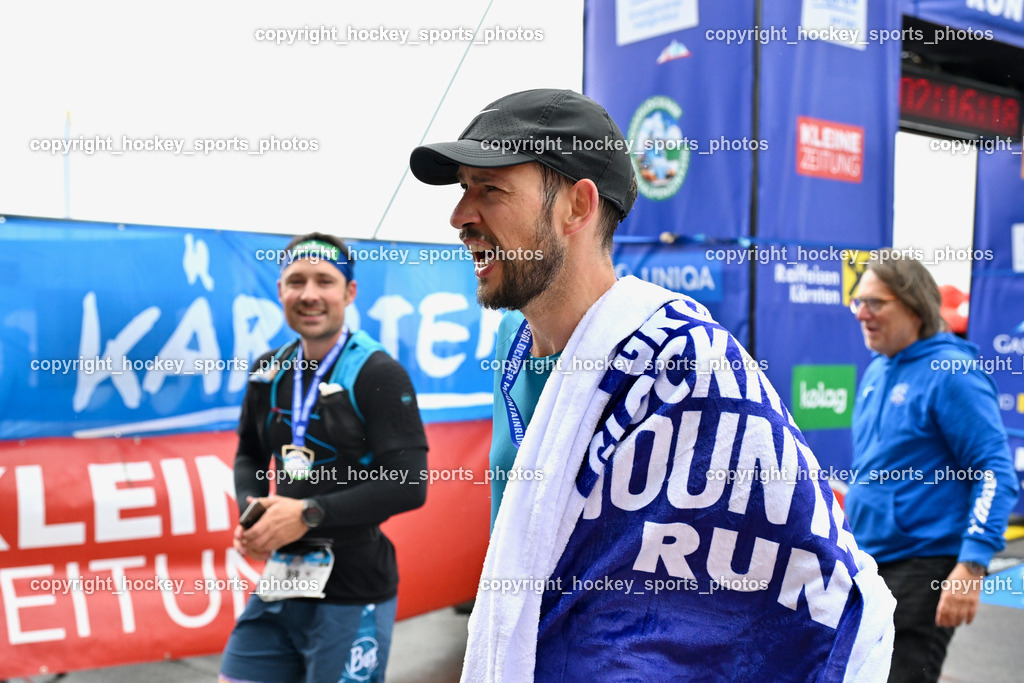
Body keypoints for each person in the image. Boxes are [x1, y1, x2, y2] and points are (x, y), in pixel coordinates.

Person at [410, 89, 896, 681]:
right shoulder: (511, 349)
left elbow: (800, 570)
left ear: (577, 206)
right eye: (463, 189)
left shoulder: (686, 359)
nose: (460, 216)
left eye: (489, 189)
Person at [219, 233, 428, 683]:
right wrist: (253, 513)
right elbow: (249, 453)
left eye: (324, 281)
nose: (309, 294)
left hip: (353, 586)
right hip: (283, 580)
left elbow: (409, 484)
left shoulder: (379, 373)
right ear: (280, 291)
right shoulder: (268, 370)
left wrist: (307, 513)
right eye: (296, 281)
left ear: (349, 292)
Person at [847, 253, 1018, 682]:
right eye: (858, 302)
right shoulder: (877, 369)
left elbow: (994, 471)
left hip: (923, 567)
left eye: (875, 303)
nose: (862, 314)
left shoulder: (952, 373)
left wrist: (972, 565)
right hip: (870, 565)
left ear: (915, 306)